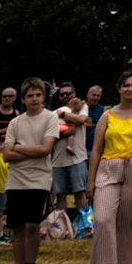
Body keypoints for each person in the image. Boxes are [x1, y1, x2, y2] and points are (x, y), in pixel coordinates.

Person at [83, 72, 132, 264]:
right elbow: (96, 150)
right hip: (107, 168)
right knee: (103, 219)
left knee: (125, 223)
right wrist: (90, 181)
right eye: (126, 85)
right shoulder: (107, 115)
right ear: (119, 88)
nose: (130, 89)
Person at [0, 80, 62, 264]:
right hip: (16, 180)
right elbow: (6, 155)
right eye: (30, 96)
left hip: (39, 178)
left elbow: (45, 150)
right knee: (17, 228)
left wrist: (18, 147)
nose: (34, 99)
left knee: (33, 226)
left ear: (43, 97)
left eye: (38, 95)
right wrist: (22, 150)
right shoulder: (16, 122)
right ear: (23, 99)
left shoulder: (50, 117)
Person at [44, 88, 87, 220]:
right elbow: (47, 137)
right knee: (60, 194)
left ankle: (84, 225)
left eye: (68, 93)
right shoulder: (53, 112)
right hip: (57, 161)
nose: (65, 96)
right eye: (62, 94)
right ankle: (63, 226)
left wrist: (61, 114)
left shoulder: (82, 106)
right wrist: (64, 135)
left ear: (74, 94)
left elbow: (81, 119)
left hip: (77, 158)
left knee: (79, 193)